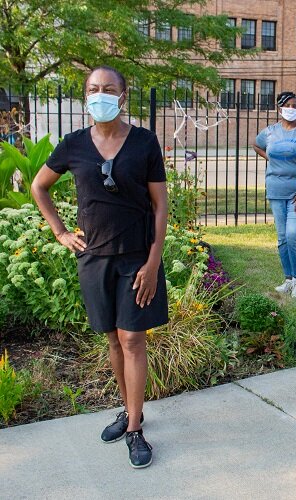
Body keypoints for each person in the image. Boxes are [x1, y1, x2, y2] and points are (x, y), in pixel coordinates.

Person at [31, 66, 168, 469]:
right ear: (85, 95)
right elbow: (40, 186)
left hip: (136, 258)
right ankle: (130, 410)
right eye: (93, 89)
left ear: (123, 96)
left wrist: (154, 259)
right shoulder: (73, 145)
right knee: (111, 339)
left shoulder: (144, 142)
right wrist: (59, 232)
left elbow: (160, 204)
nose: (100, 94)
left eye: (108, 88)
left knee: (132, 340)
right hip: (94, 258)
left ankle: (135, 431)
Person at [254, 92, 296, 299]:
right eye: (288, 105)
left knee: (293, 234)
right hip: (276, 190)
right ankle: (288, 280)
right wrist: (271, 159)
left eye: (295, 105)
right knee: (282, 237)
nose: (292, 108)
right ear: (279, 108)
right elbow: (256, 145)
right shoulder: (269, 132)